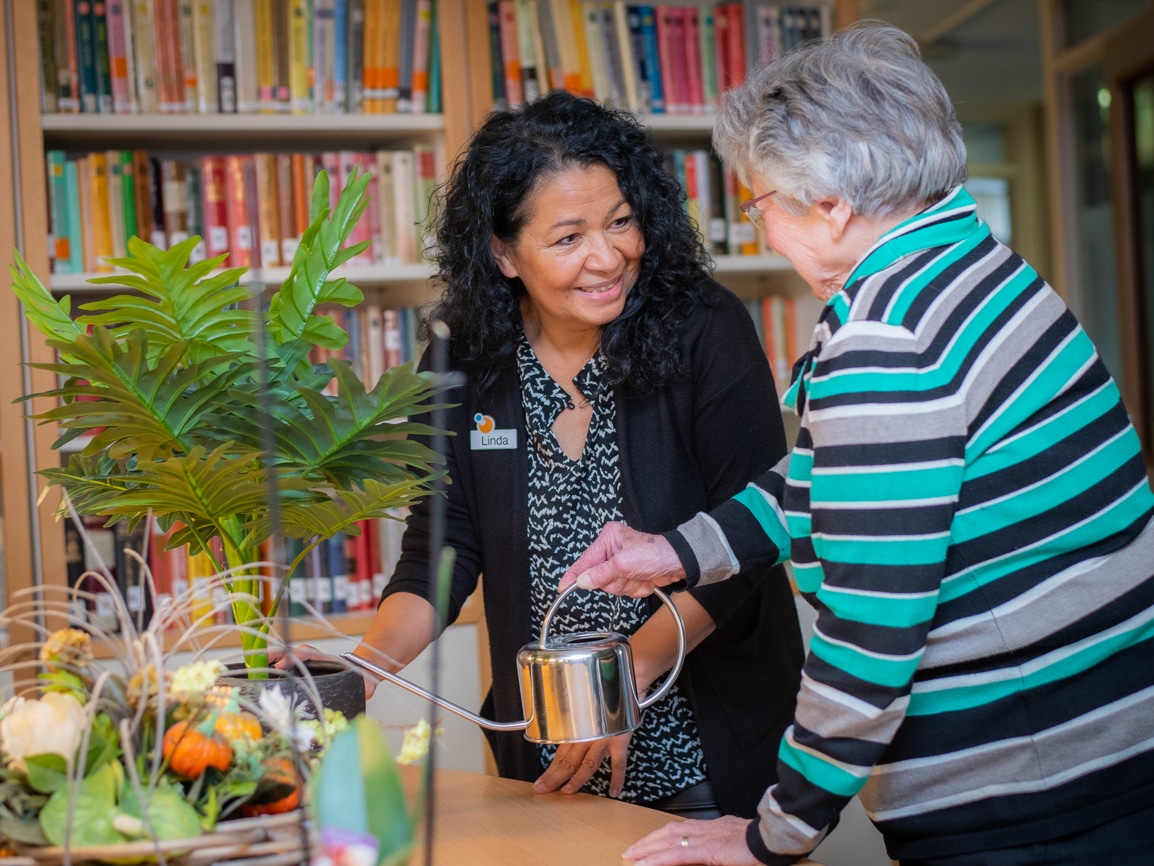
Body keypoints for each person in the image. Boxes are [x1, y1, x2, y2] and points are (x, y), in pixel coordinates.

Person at [561, 21, 1154, 866]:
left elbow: (872, 634)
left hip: (1026, 796)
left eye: (761, 204)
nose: (763, 231)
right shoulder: (978, 270)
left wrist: (774, 833)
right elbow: (835, 474)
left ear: (831, 205)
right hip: (1106, 750)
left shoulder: (885, 340)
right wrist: (677, 552)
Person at [285, 90, 805, 819]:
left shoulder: (704, 328)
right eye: (567, 239)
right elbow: (442, 548)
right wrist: (362, 667)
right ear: (503, 253)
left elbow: (751, 535)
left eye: (620, 222)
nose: (607, 258)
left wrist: (622, 681)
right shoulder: (463, 358)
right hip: (550, 755)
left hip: (711, 752)